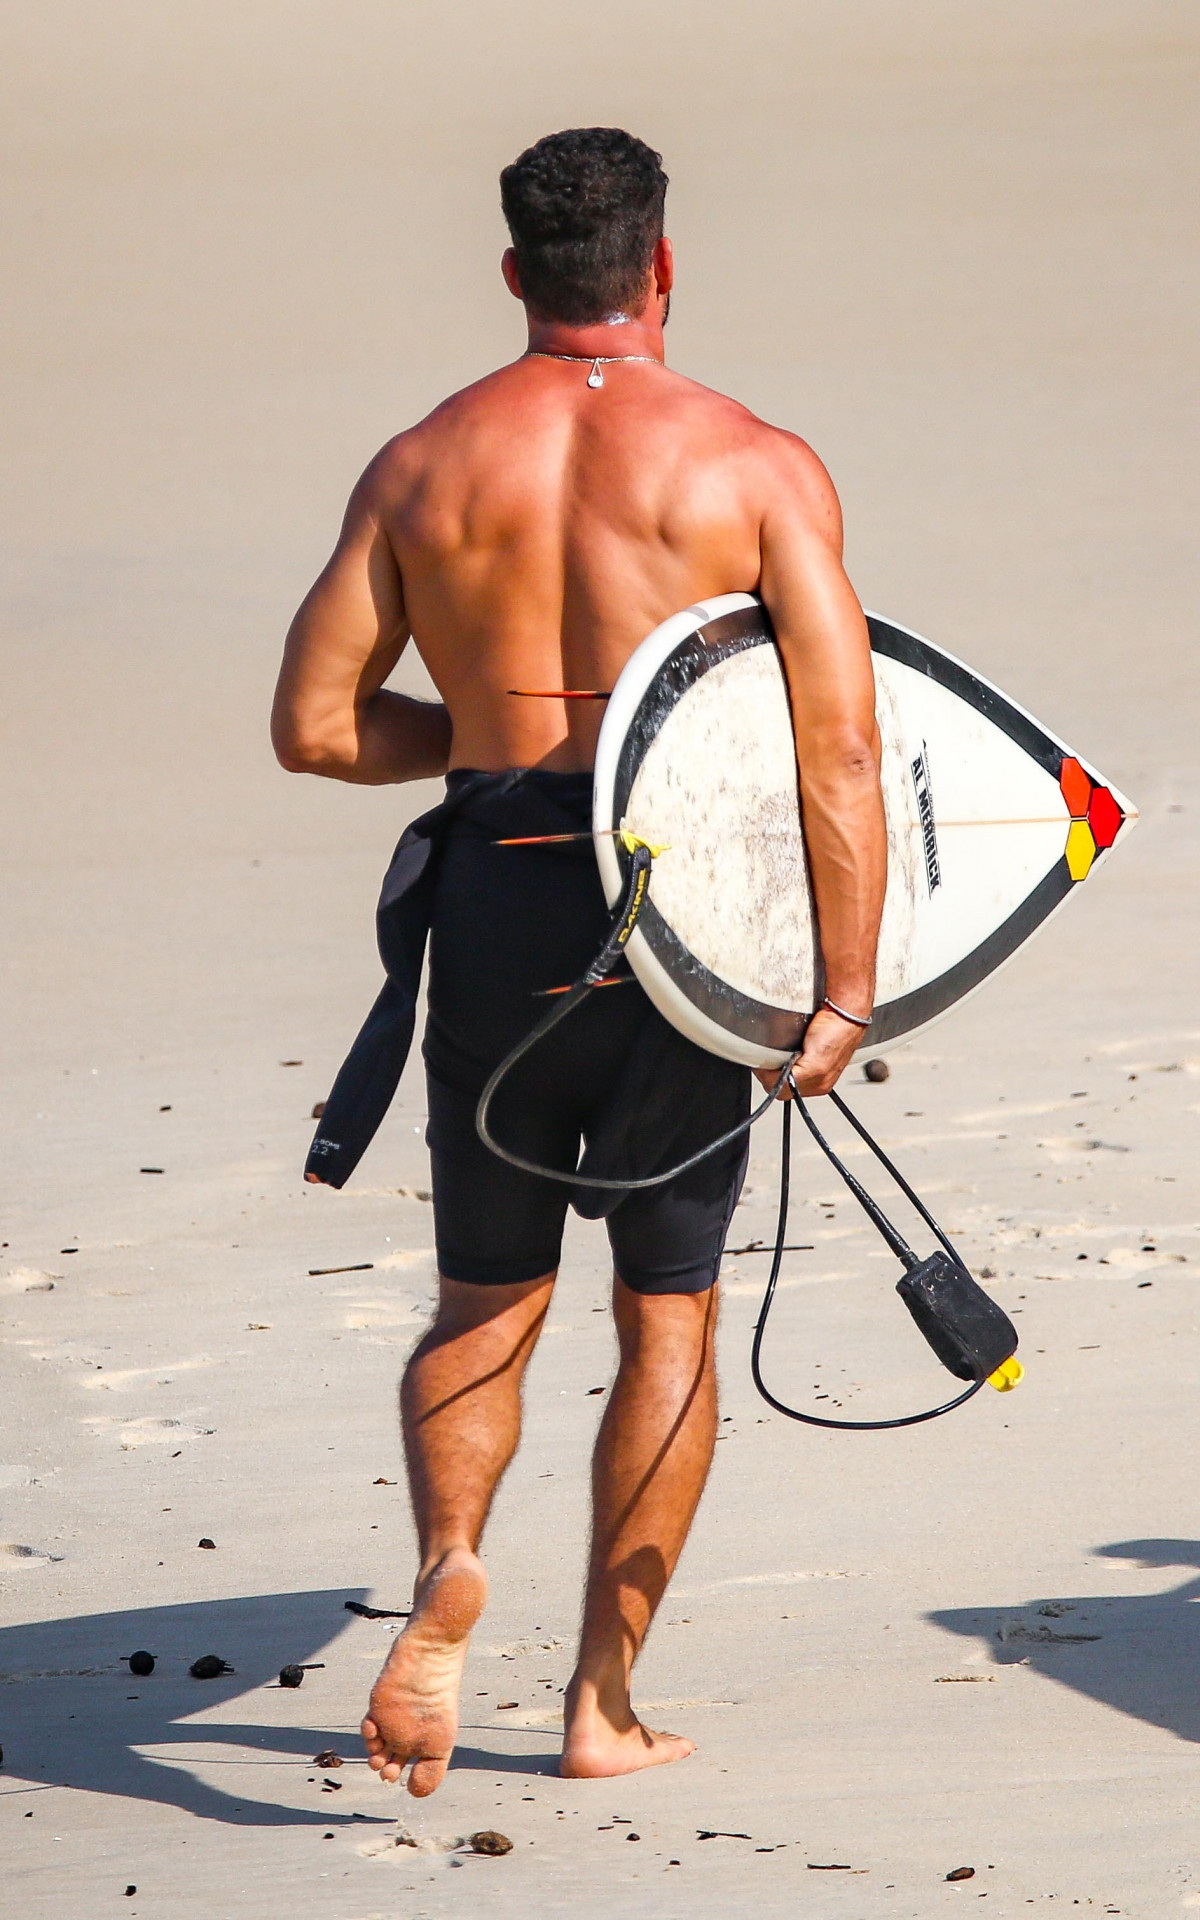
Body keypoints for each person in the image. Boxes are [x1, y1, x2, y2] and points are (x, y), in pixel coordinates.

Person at [271, 126, 886, 1794]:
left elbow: (316, 729)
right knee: (666, 1317)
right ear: (662, 269)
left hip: (495, 908)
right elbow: (837, 749)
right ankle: (601, 1703)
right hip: (684, 935)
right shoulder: (756, 467)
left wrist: (479, 735)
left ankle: (451, 1563)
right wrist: (841, 989)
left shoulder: (420, 467)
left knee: (488, 1291)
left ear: (514, 276)